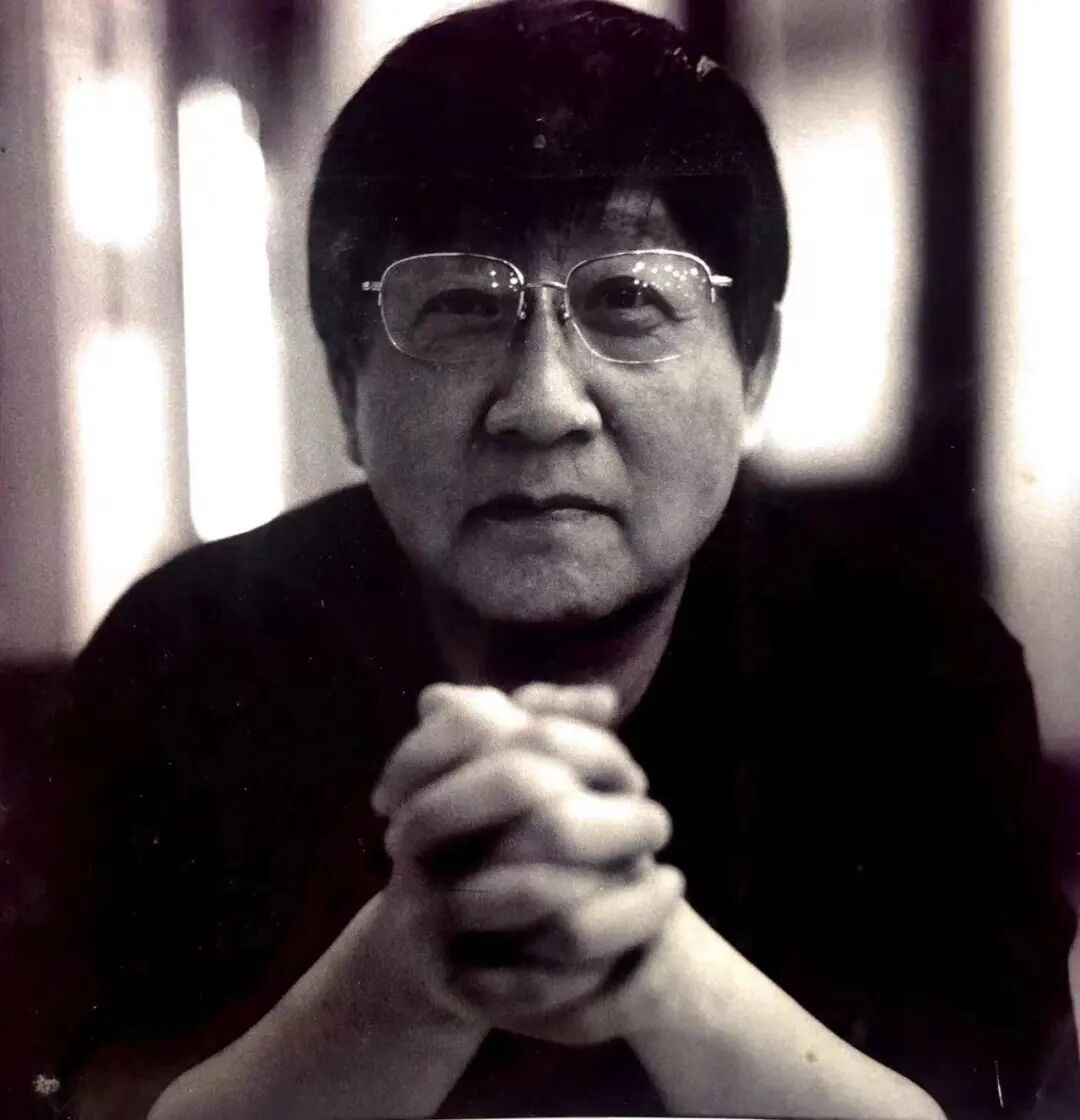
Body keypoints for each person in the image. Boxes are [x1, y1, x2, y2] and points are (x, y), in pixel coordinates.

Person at [42, 2, 1074, 1117]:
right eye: (459, 306)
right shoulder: (187, 653)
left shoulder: (919, 666)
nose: (541, 405)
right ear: (346, 389)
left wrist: (652, 962)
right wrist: (409, 976)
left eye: (630, 299)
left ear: (755, 369)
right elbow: (91, 1095)